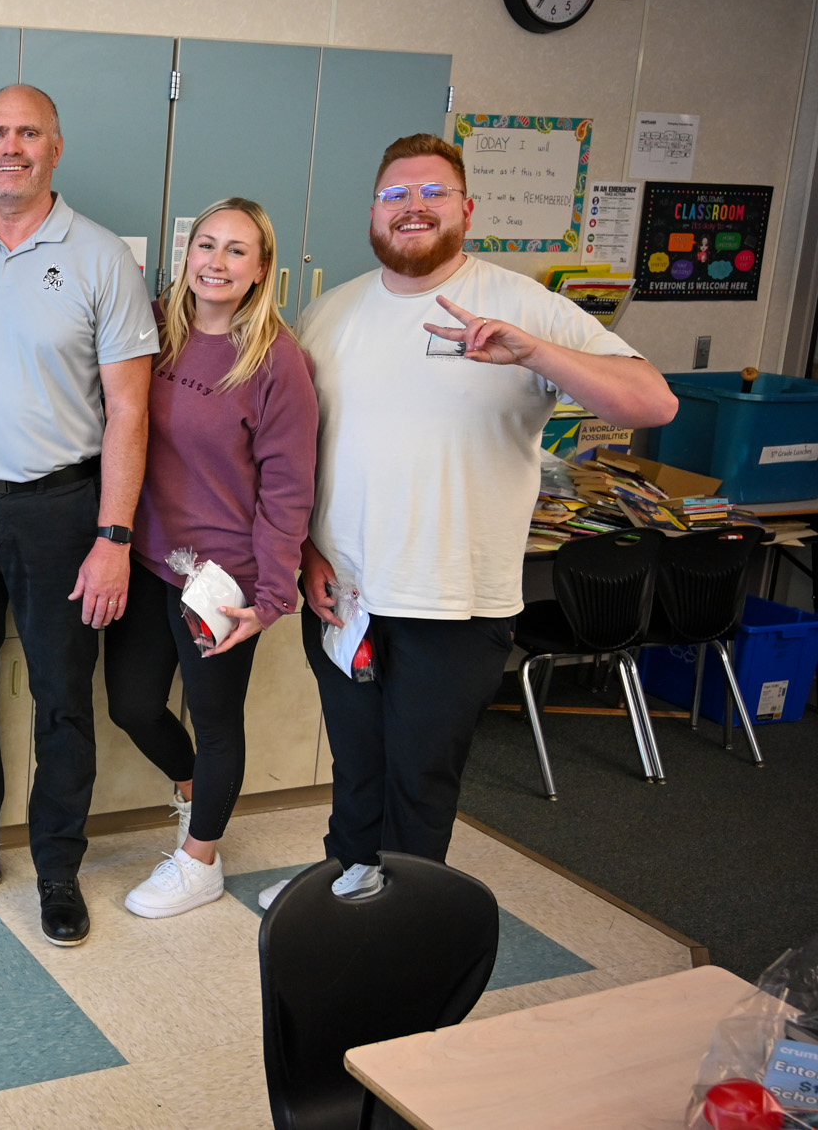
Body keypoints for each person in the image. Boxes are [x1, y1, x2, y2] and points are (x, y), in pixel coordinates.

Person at [260, 134, 677, 908]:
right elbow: (305, 449)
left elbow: (653, 402)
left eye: (433, 193)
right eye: (395, 194)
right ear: (374, 213)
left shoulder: (523, 306)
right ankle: (345, 877)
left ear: (467, 209)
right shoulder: (328, 311)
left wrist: (536, 354)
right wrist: (308, 552)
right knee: (356, 760)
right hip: (346, 595)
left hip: (454, 602)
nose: (412, 207)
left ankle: (406, 915)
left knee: (420, 774)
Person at [0, 84, 158, 946]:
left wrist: (114, 537)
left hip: (62, 511)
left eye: (27, 133)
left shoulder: (100, 258)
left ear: (56, 147)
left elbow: (130, 411)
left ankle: (57, 867)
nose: (9, 147)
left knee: (62, 700)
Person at [105, 199, 318, 919]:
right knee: (133, 705)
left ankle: (201, 862)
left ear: (262, 270)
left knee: (216, 718)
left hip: (220, 577)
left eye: (236, 250)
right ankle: (199, 794)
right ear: (186, 254)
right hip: (147, 557)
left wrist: (272, 594)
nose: (216, 262)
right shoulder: (154, 329)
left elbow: (288, 486)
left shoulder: (276, 361)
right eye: (206, 245)